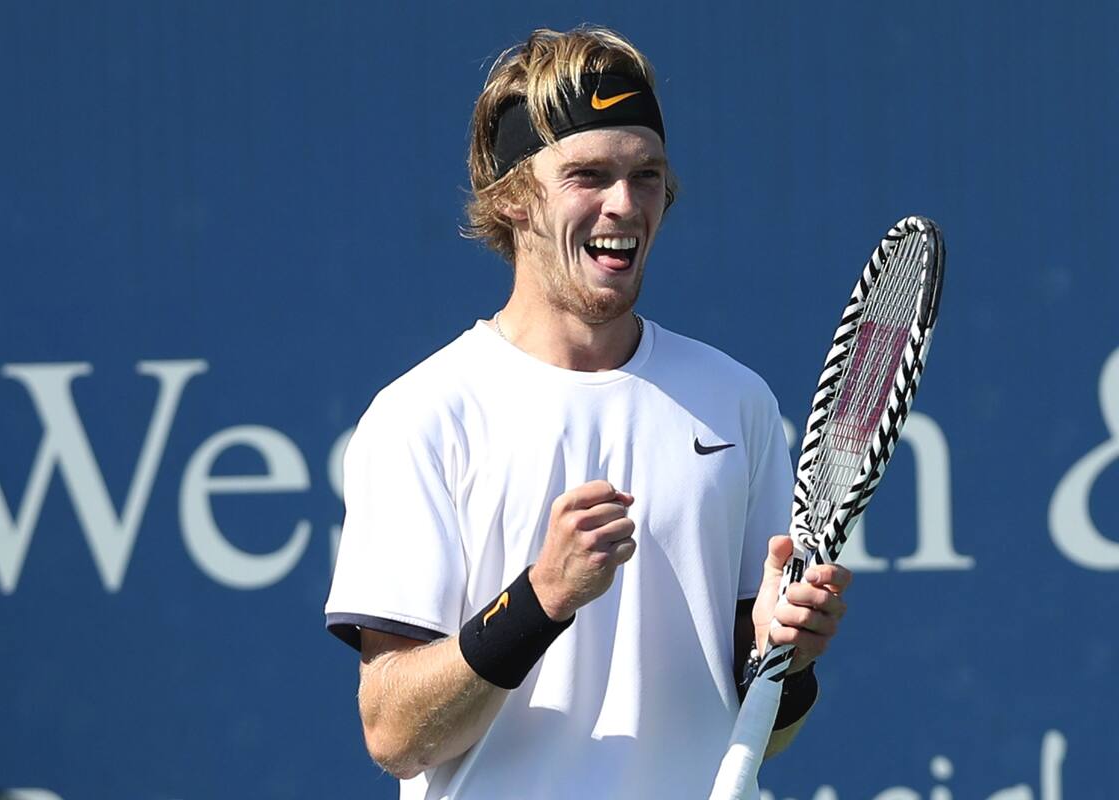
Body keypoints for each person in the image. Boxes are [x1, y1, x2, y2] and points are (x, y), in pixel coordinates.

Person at [325, 24, 852, 800]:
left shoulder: (735, 401)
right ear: (511, 199)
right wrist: (538, 598)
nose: (625, 204)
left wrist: (786, 661)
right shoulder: (423, 416)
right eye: (588, 174)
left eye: (646, 175)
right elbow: (395, 733)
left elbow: (765, 729)